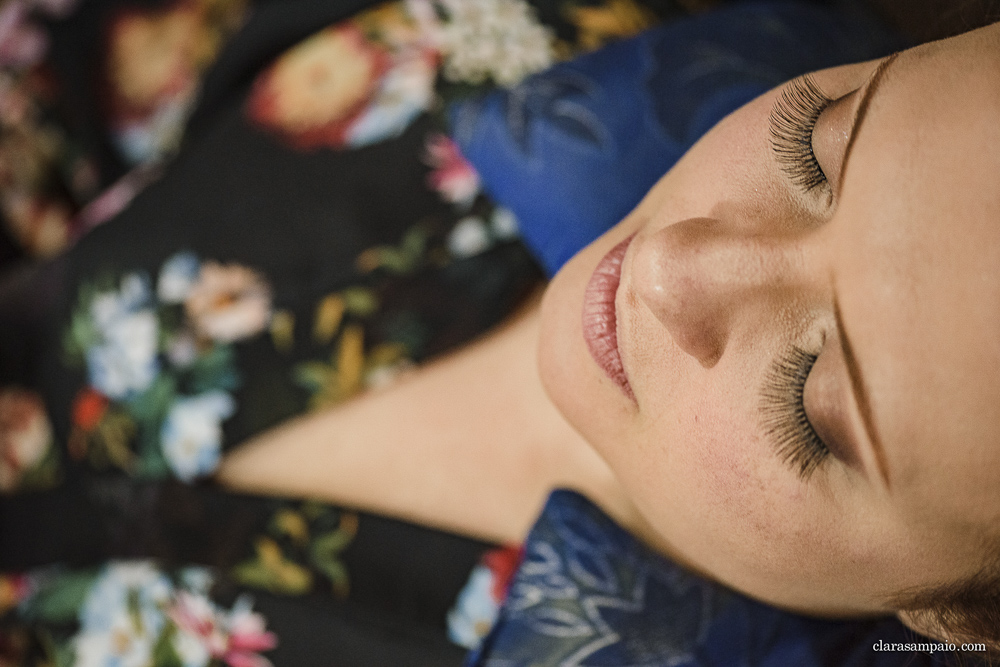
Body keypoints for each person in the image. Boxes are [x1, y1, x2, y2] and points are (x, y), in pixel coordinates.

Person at [0, 0, 995, 665]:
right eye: (812, 145)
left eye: (807, 396)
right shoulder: (579, 32)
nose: (667, 265)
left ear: (956, 616)